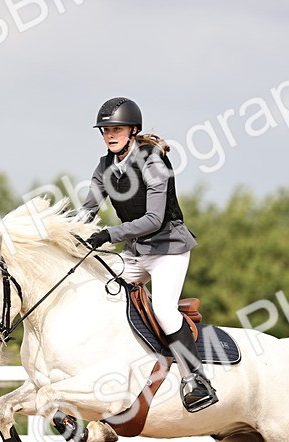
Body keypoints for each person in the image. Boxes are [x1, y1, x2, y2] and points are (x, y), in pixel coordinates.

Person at [77, 96, 218, 413]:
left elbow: (154, 219)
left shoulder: (152, 161)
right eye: (105, 130)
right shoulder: (104, 167)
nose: (109, 135)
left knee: (166, 311)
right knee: (101, 293)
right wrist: (66, 234)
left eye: (116, 129)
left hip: (168, 247)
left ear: (132, 130)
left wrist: (108, 234)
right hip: (137, 252)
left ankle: (196, 379)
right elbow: (87, 212)